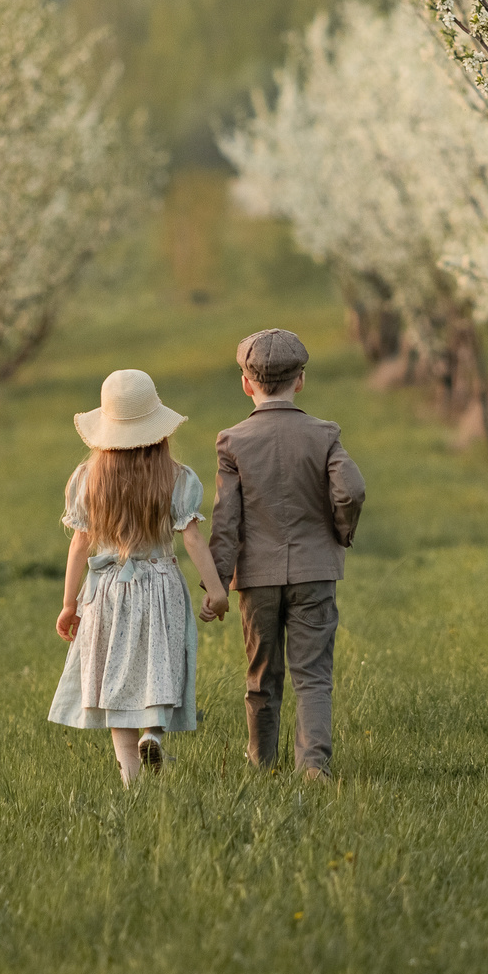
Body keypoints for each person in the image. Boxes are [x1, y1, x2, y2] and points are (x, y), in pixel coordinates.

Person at [48, 368, 230, 784]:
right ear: (158, 429)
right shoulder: (177, 478)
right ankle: (153, 733)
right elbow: (192, 539)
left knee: (117, 682)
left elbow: (79, 545)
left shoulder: (87, 480)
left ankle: (133, 783)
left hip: (108, 592)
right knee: (161, 665)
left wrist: (69, 604)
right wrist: (217, 591)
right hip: (161, 585)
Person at [210, 329, 366, 782]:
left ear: (246, 384)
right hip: (315, 570)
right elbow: (351, 490)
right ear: (301, 380)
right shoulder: (325, 435)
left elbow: (225, 520)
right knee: (312, 674)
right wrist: (341, 531)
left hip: (256, 576)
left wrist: (217, 581)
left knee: (261, 674)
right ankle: (313, 763)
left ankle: (261, 763)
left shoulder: (232, 441)